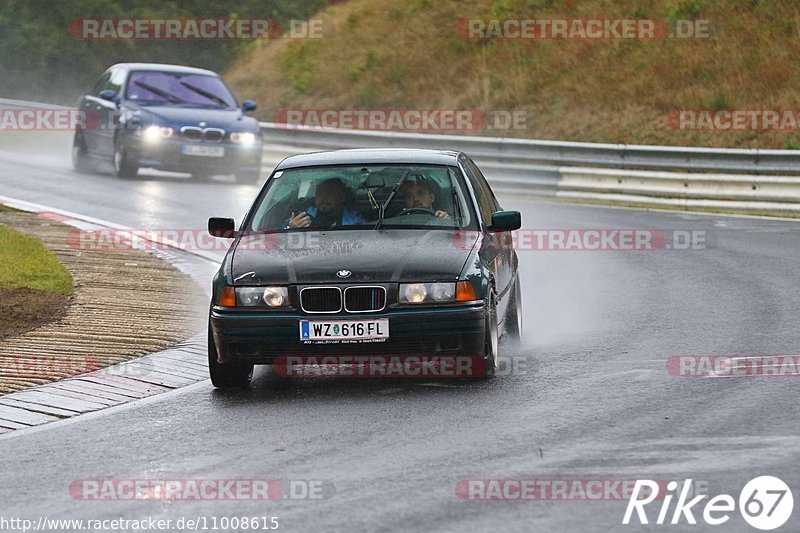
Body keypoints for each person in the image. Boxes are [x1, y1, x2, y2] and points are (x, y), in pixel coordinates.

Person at [286, 178, 365, 229]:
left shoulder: (355, 221)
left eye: (329, 194)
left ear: (341, 197)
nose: (323, 199)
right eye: (319, 194)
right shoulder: (303, 216)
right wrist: (292, 228)